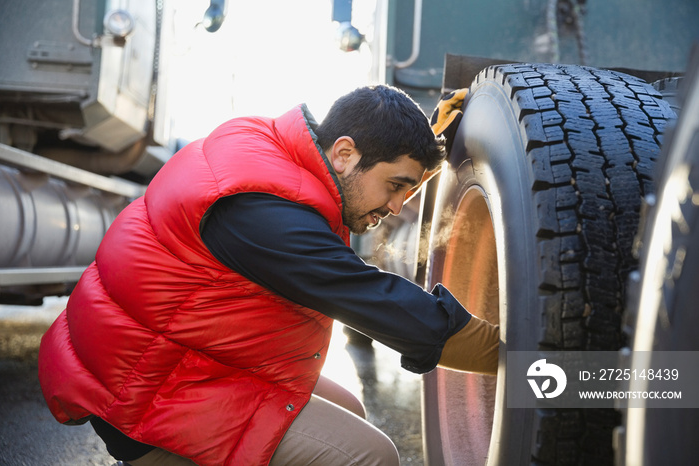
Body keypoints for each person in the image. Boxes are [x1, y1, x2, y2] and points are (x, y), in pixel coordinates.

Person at [38, 85, 499, 466]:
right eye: (396, 185)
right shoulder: (262, 214)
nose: (398, 207)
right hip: (143, 388)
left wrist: (431, 133)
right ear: (343, 153)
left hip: (170, 353)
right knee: (370, 456)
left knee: (351, 410)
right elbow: (379, 302)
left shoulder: (273, 155)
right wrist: (518, 356)